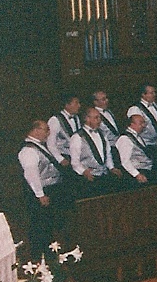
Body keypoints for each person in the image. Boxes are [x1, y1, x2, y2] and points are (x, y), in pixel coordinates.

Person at [19, 119, 70, 256]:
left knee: (49, 224)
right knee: (40, 225)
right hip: (41, 193)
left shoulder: (39, 146)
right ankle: (40, 255)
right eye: (46, 129)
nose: (49, 133)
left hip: (50, 189)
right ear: (36, 130)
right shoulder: (28, 150)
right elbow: (31, 174)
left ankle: (50, 252)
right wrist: (40, 194)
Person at [70, 107, 119, 196]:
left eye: (99, 117)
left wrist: (111, 167)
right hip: (89, 177)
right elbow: (74, 161)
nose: (99, 120)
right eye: (96, 118)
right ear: (87, 119)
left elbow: (107, 153)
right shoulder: (77, 137)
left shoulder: (102, 133)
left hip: (104, 175)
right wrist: (83, 171)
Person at [116, 113, 154, 188]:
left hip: (145, 170)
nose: (143, 125)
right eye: (141, 123)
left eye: (144, 123)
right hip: (136, 174)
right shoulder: (125, 139)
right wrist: (137, 174)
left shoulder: (138, 137)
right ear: (132, 124)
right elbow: (125, 161)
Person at [47, 93, 82, 167]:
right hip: (64, 157)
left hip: (76, 156)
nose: (79, 106)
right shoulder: (55, 120)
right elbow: (50, 143)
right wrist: (60, 159)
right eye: (76, 103)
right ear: (67, 105)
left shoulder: (76, 118)